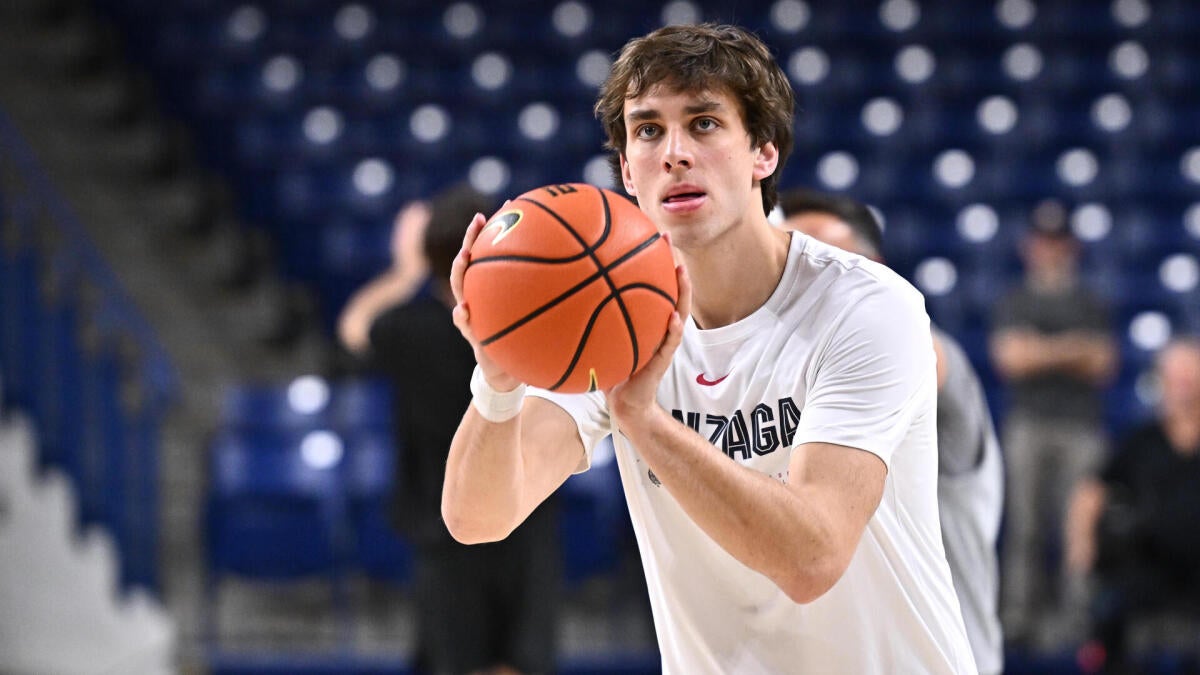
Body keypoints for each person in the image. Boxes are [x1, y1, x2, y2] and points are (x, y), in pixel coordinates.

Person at [441, 24, 975, 673]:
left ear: (763, 152)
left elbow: (812, 560)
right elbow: (477, 518)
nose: (674, 153)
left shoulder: (865, 308)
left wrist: (644, 420)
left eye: (703, 124)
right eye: (647, 130)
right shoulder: (610, 315)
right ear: (626, 169)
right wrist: (498, 381)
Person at [777, 187, 1004, 675]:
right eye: (790, 264)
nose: (804, 282)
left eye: (824, 261)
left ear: (874, 269)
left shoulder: (916, 346)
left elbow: (910, 353)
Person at [338, 185, 561, 675]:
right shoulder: (530, 326)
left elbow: (354, 327)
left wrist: (405, 272)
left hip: (445, 527)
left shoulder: (407, 328)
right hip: (524, 517)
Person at [989, 199, 1118, 650]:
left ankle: (1077, 622)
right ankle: (1018, 620)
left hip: (1081, 427)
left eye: (1057, 241)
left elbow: (1103, 363)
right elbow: (1011, 359)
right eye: (1044, 241)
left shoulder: (1090, 300)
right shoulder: (1015, 299)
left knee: (1079, 529)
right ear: (1030, 246)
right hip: (1028, 425)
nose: (1050, 249)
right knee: (1024, 526)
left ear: (1071, 246)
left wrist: (1041, 349)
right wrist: (1072, 349)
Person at [1065, 337, 1200, 672]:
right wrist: (1081, 546)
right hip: (1149, 567)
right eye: (1176, 376)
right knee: (1110, 609)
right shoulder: (1142, 440)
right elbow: (1091, 491)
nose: (1183, 385)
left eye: (1190, 375)